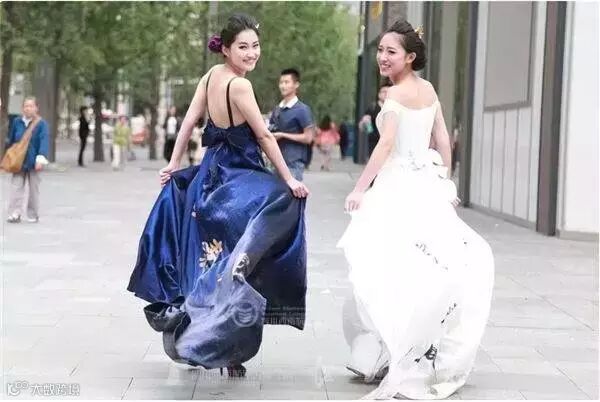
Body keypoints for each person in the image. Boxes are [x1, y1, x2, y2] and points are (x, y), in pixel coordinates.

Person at [127, 13, 309, 378]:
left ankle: (207, 341)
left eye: (255, 46)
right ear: (225, 49)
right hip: (235, 181)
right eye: (243, 47)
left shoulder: (211, 76)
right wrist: (289, 178)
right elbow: (264, 136)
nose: (251, 53)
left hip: (208, 179)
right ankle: (223, 344)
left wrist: (174, 164)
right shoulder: (240, 86)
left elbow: (189, 121)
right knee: (274, 216)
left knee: (213, 265)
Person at [337, 20, 494, 400]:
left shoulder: (394, 95)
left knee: (385, 266)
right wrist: (446, 181)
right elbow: (442, 138)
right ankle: (409, 349)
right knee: (423, 265)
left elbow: (385, 145)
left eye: (391, 52)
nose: (382, 57)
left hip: (396, 188)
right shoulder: (429, 90)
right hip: (427, 186)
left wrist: (360, 188)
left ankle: (388, 351)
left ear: (409, 57)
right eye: (380, 50)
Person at [6, 97, 49, 224]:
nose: (28, 108)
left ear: (36, 108)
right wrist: (10, 156)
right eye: (25, 106)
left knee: (34, 189)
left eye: (31, 106)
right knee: (16, 187)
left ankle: (32, 214)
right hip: (18, 161)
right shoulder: (17, 122)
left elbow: (44, 141)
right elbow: (11, 139)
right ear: (22, 108)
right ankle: (14, 213)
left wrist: (40, 158)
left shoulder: (41, 124)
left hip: (34, 161)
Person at [268, 68, 314, 181]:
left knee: (291, 192)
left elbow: (308, 138)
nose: (283, 86)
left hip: (293, 164)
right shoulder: (277, 109)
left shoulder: (302, 110)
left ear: (296, 84)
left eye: (286, 82)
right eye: (281, 82)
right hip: (275, 163)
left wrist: (283, 135)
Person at [361, 82, 391, 157]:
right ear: (379, 94)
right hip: (375, 143)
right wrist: (369, 130)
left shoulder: (394, 108)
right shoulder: (372, 108)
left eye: (388, 92)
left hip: (390, 144)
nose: (386, 94)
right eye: (384, 92)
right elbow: (364, 126)